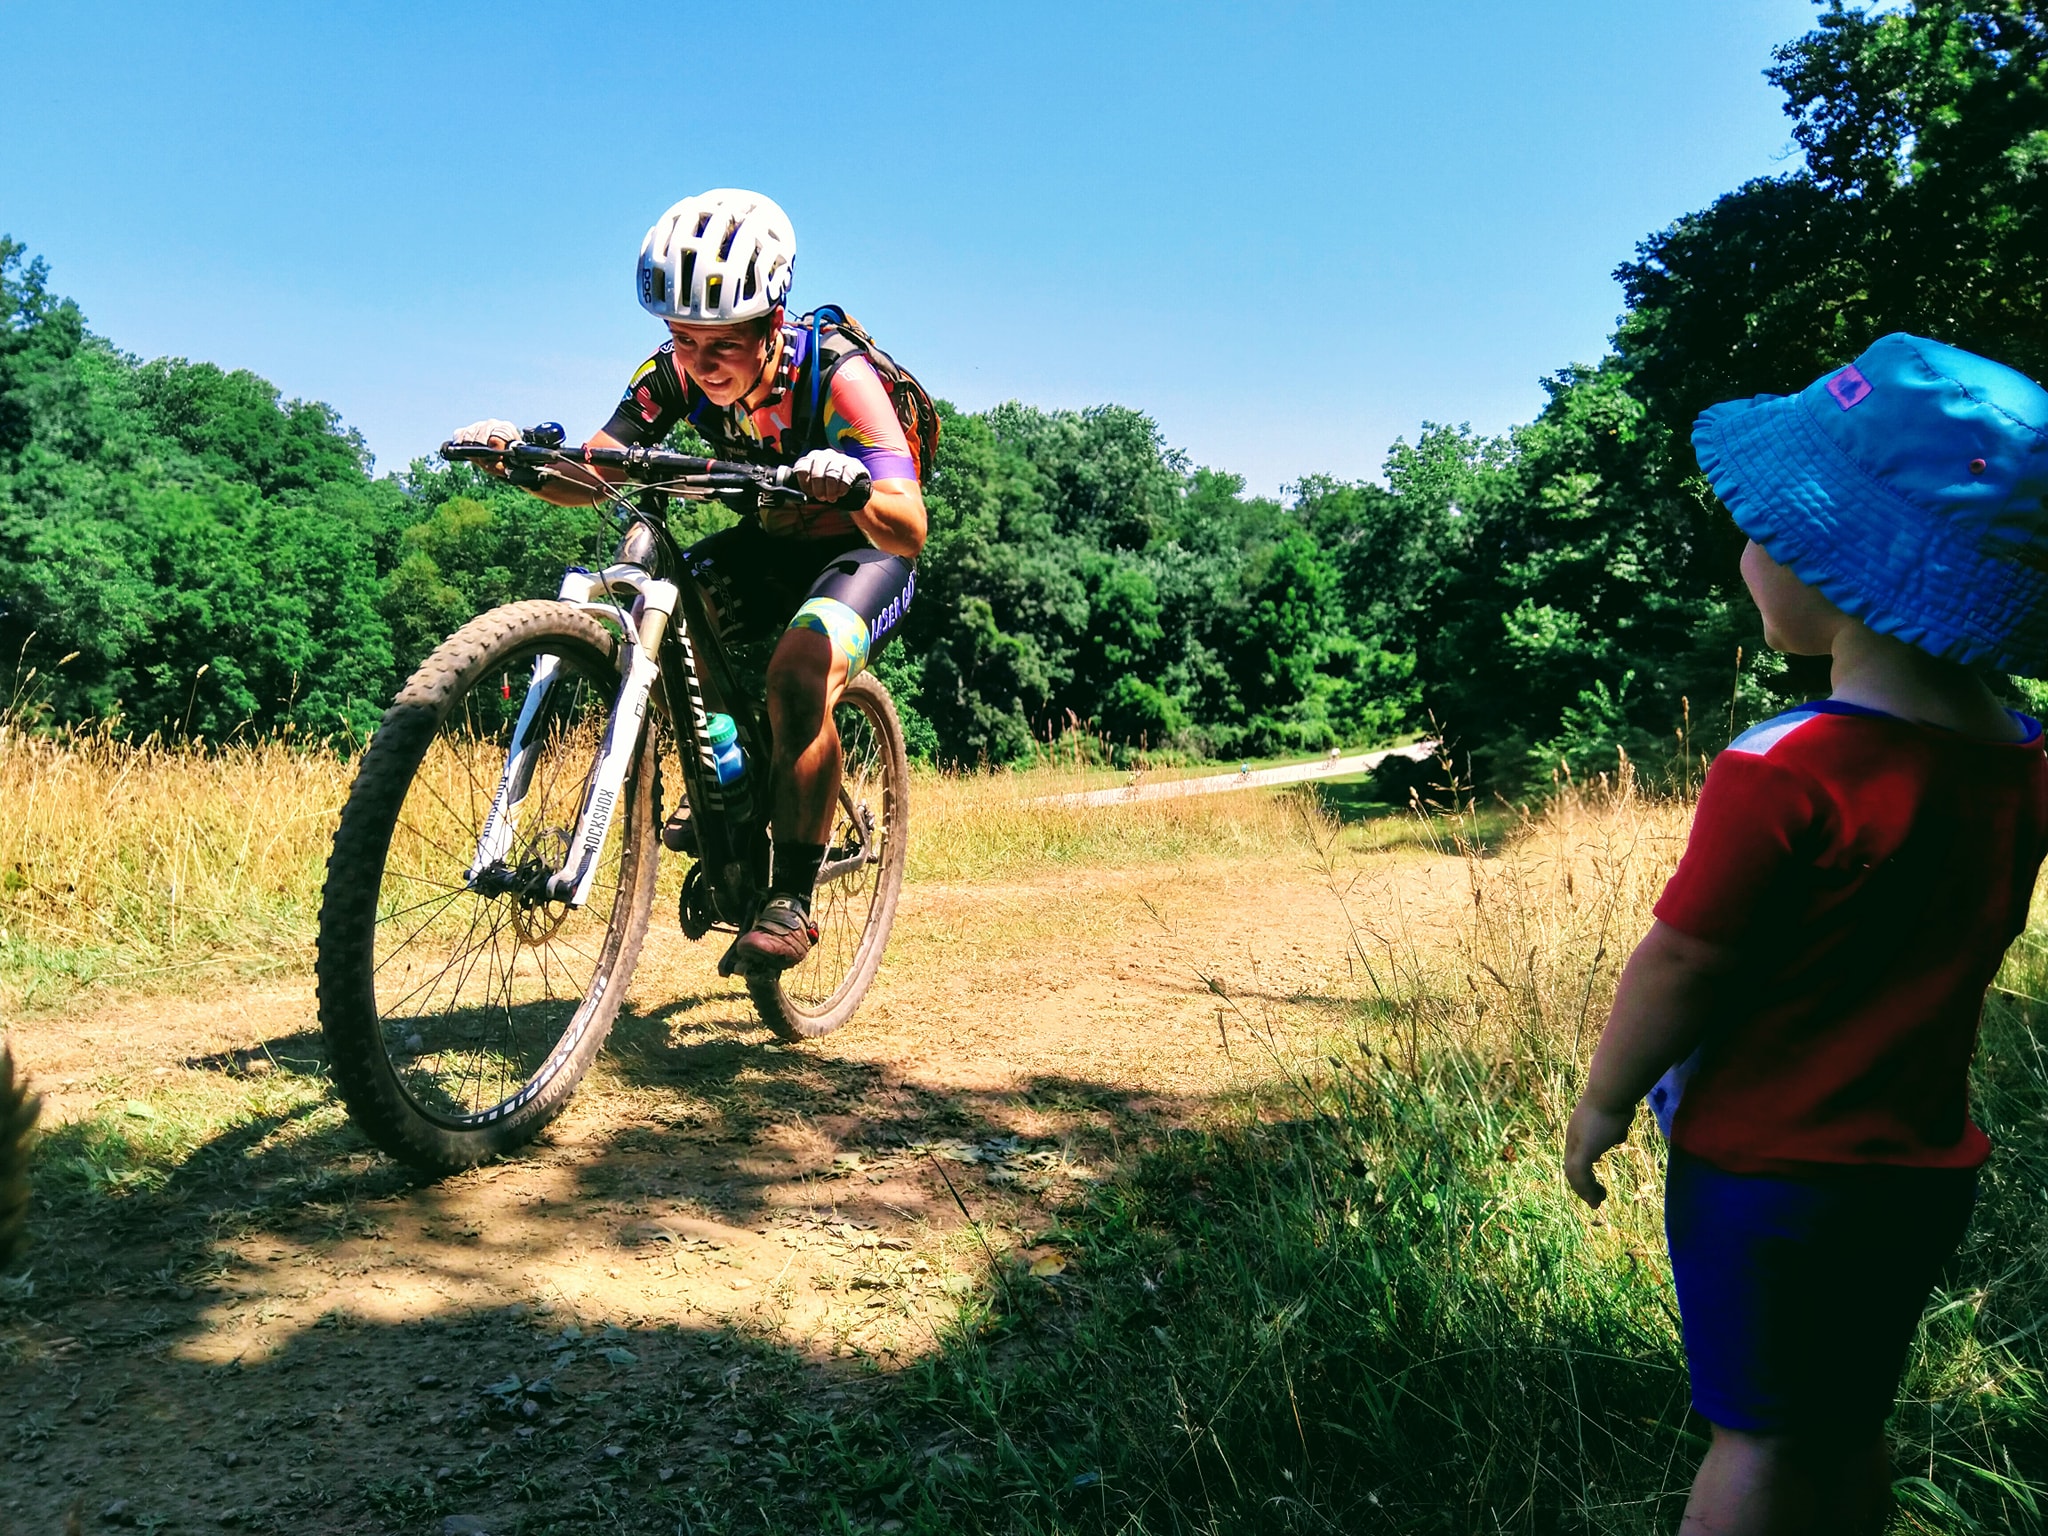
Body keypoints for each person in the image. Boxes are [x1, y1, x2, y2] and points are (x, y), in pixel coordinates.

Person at [1563, 333, 2048, 1534]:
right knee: (1842, 1421)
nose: (1743, 550)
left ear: (1834, 560)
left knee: (1758, 1441)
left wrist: (1602, 1102)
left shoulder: (1784, 768)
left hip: (1764, 1171)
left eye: (1762, 529)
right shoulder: (2023, 761)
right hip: (1920, 1166)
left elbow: (1683, 959)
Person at [450, 190, 927, 974]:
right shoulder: (670, 376)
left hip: (864, 551)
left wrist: (853, 489)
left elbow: (909, 525)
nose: (699, 365)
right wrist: (516, 461)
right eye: (680, 339)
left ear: (773, 324)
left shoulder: (839, 378)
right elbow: (592, 467)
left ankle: (791, 899)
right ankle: (729, 781)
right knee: (662, 616)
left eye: (721, 345)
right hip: (769, 542)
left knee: (798, 674)